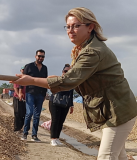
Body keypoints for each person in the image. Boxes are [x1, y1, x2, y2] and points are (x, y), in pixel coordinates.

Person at [11, 7, 137, 160]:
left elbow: (67, 82)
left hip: (119, 111)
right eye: (68, 27)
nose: (70, 30)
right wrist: (52, 78)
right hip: (112, 109)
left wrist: (31, 80)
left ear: (90, 27)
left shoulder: (92, 51)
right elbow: (73, 78)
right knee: (119, 156)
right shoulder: (83, 49)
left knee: (106, 156)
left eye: (76, 26)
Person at [19, 49, 48, 142]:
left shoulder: (45, 68)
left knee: (37, 115)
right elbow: (23, 79)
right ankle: (25, 133)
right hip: (30, 93)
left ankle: (34, 135)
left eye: (42, 56)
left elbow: (45, 81)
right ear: (35, 56)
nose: (40, 58)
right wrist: (20, 91)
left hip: (40, 94)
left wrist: (44, 94)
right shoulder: (29, 66)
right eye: (39, 56)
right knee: (29, 113)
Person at [49, 64, 74, 146]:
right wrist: (60, 77)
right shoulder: (58, 79)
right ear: (62, 71)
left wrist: (71, 105)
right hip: (55, 102)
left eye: (69, 71)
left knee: (61, 121)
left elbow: (71, 94)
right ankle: (53, 138)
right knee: (55, 120)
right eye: (65, 71)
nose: (66, 72)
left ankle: (57, 138)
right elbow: (48, 78)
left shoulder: (71, 82)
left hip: (65, 104)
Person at [13, 66, 26, 134]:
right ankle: (16, 128)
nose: (23, 71)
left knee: (23, 114)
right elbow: (15, 88)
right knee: (17, 113)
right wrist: (19, 95)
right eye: (22, 69)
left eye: (25, 69)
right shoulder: (18, 79)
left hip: (25, 99)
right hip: (17, 98)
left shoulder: (27, 79)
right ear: (20, 70)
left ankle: (21, 127)